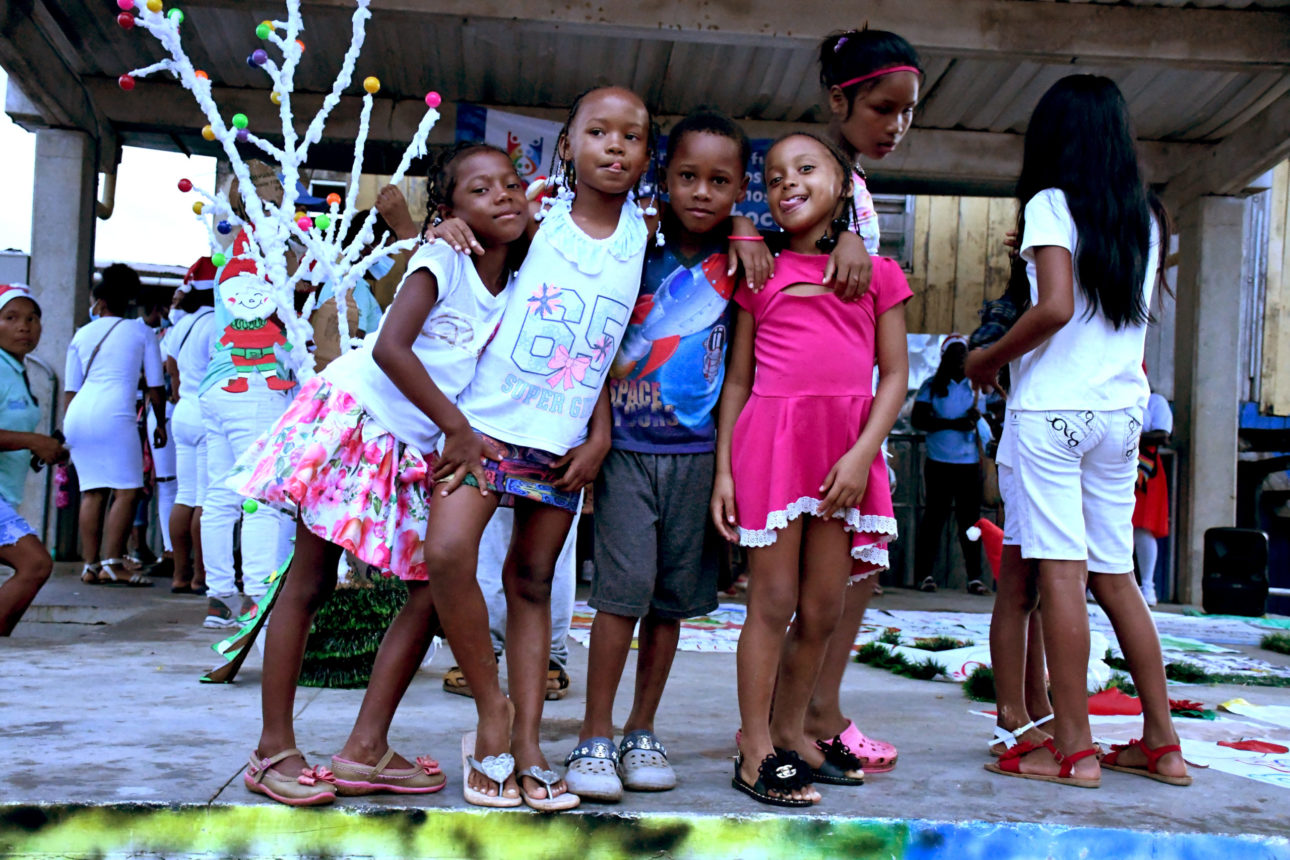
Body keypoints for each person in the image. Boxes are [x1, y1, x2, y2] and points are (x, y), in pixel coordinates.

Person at [230, 142, 531, 806]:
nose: (503, 196)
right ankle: (271, 748)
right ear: (449, 209)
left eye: (511, 184)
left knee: (431, 588)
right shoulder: (442, 259)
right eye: (480, 190)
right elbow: (393, 348)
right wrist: (457, 428)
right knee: (310, 581)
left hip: (410, 443)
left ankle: (365, 748)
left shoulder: (516, 279)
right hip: (357, 418)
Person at [420, 86, 661, 813]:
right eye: (598, 132)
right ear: (567, 146)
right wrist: (444, 226)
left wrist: (600, 433)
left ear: (647, 154)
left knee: (532, 583)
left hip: (561, 444)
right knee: (447, 556)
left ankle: (526, 744)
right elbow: (472, 234)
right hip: (482, 428)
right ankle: (491, 712)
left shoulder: (644, 233)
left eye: (632, 136)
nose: (614, 146)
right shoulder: (537, 213)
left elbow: (606, 347)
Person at [967, 74, 1189, 788]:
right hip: (1121, 414)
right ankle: (1162, 743)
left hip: (1053, 412)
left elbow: (1056, 307)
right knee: (1117, 578)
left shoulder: (1049, 204)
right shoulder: (1146, 215)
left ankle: (1074, 749)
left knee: (1060, 575)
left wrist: (989, 359)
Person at [712, 132, 911, 806]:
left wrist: (862, 455)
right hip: (772, 450)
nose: (787, 183)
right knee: (771, 603)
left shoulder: (877, 273)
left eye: (805, 169)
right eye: (773, 178)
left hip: (844, 455)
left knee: (824, 608)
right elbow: (739, 382)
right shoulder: (760, 273)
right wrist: (725, 472)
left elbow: (894, 377)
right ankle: (755, 749)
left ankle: (792, 733)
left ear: (843, 185)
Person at [563, 109, 753, 803]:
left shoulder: (743, 263)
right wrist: (598, 433)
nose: (702, 192)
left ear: (740, 190)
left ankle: (641, 729)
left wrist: (725, 469)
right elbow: (598, 346)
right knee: (622, 594)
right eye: (688, 176)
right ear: (663, 177)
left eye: (720, 181)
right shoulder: (631, 245)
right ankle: (594, 734)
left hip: (696, 457)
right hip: (626, 452)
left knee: (671, 603)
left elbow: (737, 376)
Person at [796, 27, 923, 777]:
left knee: (856, 568)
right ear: (840, 101)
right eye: (883, 108)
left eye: (908, 112)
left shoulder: (856, 184)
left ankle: (818, 704)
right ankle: (800, 714)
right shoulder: (820, 173)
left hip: (854, 406)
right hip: (811, 410)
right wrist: (843, 240)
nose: (897, 124)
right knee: (812, 580)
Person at [198, 167, 298, 628]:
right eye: (281, 192)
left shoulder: (230, 246)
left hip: (218, 383)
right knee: (264, 495)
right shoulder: (263, 248)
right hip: (256, 382)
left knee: (221, 496)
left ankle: (220, 598)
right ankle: (260, 598)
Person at [63, 264, 166, 586]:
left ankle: (90, 565)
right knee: (127, 490)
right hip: (116, 414)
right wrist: (160, 423)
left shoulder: (81, 334)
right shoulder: (141, 332)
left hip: (78, 414)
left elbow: (70, 389)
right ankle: (113, 563)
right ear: (129, 299)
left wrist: (66, 431)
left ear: (100, 301)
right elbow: (155, 385)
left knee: (92, 490)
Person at [0, 285, 65, 635]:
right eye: (10, 318)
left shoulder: (15, 369)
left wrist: (45, 449)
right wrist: (33, 441)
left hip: (5, 493)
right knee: (35, 564)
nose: (24, 326)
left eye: (32, 318)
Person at [912, 334, 990, 594]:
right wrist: (954, 424)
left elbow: (991, 419)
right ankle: (924, 575)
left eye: (963, 355)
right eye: (954, 355)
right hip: (939, 462)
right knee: (934, 520)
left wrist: (977, 419)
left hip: (969, 463)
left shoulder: (976, 387)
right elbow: (919, 420)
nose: (959, 360)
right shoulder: (931, 386)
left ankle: (974, 577)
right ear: (944, 358)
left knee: (970, 522)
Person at [164, 264, 218, 594]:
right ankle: (202, 576)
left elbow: (171, 367)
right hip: (205, 412)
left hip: (182, 410)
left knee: (184, 495)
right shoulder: (217, 323)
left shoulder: (182, 323)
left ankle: (180, 575)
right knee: (205, 499)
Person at [1134, 386, 1172, 606]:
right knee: (1112, 525)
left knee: (1143, 527)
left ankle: (1147, 585)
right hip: (1113, 464)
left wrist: (1131, 435)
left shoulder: (1155, 401)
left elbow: (1163, 435)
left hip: (1146, 469)